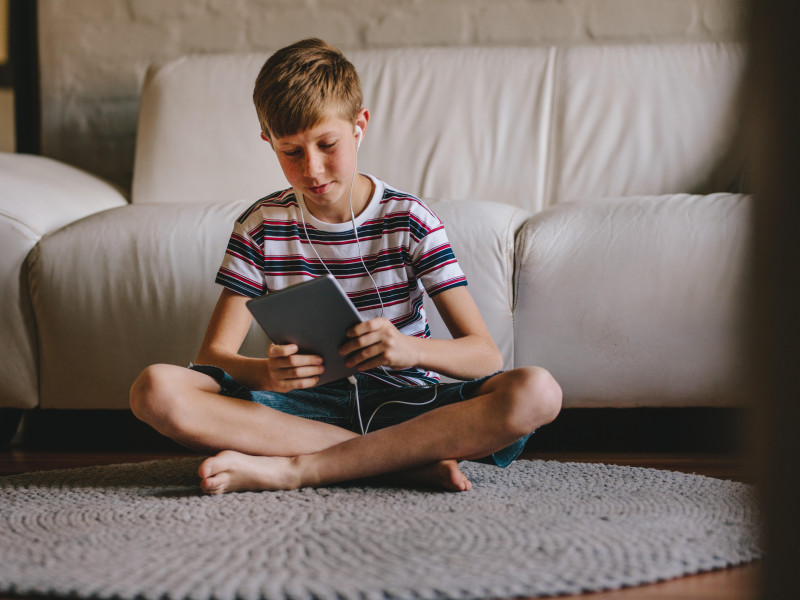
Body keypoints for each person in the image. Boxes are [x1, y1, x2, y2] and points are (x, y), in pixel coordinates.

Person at [129, 38, 562, 494]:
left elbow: (484, 355)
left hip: (409, 403)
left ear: (360, 126)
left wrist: (409, 350)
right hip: (301, 409)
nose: (313, 169)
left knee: (538, 391)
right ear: (268, 142)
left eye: (326, 144)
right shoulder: (261, 226)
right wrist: (267, 373)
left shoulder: (409, 220)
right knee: (154, 388)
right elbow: (213, 357)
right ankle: (400, 462)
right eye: (291, 152)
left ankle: (301, 469)